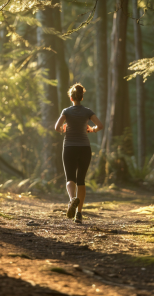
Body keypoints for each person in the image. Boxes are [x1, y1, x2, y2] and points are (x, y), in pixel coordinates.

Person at [54, 83, 104, 224]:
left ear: (71, 97)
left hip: (69, 147)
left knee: (70, 178)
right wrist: (92, 130)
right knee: (81, 180)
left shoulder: (66, 111)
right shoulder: (88, 111)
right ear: (82, 97)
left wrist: (63, 129)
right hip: (84, 148)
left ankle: (71, 200)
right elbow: (100, 126)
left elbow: (56, 127)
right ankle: (79, 214)